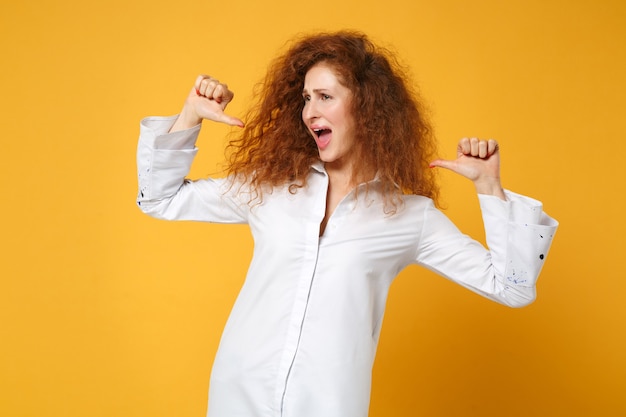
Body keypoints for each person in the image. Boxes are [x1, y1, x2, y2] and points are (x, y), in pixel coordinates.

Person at [136, 31, 557, 417]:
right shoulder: (270, 189)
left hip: (328, 405)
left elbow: (514, 287)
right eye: (305, 98)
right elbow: (158, 198)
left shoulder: (409, 216)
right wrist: (190, 115)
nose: (309, 112)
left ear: (367, 107)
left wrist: (489, 188)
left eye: (325, 97)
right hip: (239, 395)